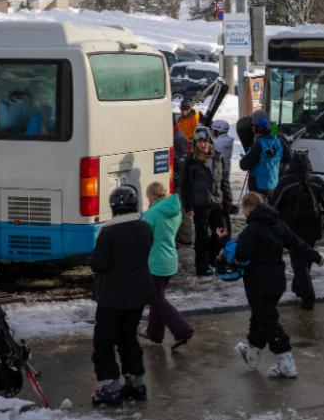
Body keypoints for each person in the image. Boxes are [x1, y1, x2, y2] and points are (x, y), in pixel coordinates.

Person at [217, 192, 324, 378]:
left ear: (249, 209)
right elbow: (297, 243)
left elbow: (241, 256)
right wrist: (316, 256)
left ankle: (286, 364)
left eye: (243, 210)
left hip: (258, 283)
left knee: (268, 321)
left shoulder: (252, 229)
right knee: (259, 318)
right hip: (276, 281)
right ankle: (251, 356)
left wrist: (225, 241)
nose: (243, 214)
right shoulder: (278, 223)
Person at [90, 185, 155, 405]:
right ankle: (137, 384)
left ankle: (111, 387)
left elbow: (97, 264)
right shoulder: (145, 227)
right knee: (128, 338)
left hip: (113, 296)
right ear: (135, 205)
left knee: (104, 341)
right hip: (138, 294)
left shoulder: (108, 232)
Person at [269, 153, 324, 310]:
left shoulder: (286, 182)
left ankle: (308, 298)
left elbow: (274, 206)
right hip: (312, 230)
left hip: (292, 231)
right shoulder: (316, 181)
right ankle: (298, 289)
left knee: (299, 264)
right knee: (305, 259)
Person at [140, 182, 195, 349]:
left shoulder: (151, 213)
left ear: (153, 196)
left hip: (156, 261)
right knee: (158, 296)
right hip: (170, 259)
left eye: (148, 196)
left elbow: (144, 236)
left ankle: (182, 330)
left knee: (156, 299)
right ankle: (154, 332)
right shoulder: (175, 211)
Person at [181, 126, 235, 276]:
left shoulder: (217, 157)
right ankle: (202, 266)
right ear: (195, 144)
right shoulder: (190, 161)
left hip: (217, 202)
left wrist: (228, 199)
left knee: (223, 233)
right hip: (200, 205)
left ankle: (211, 259)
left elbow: (223, 180)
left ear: (210, 142)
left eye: (205, 141)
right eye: (200, 142)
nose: (203, 145)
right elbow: (184, 185)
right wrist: (188, 206)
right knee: (202, 237)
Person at [239, 117, 283, 199]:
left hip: (258, 189)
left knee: (259, 211)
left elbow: (243, 165)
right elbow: (287, 158)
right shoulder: (278, 142)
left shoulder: (257, 146)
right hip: (274, 186)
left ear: (258, 130)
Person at [172, 114, 193, 245]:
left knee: (182, 208)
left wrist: (178, 175)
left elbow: (184, 161)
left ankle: (186, 237)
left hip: (180, 179)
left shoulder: (177, 137)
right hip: (177, 177)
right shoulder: (174, 134)